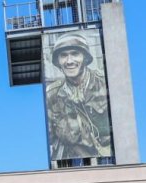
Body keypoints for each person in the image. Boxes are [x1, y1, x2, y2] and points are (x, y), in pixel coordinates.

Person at [44, 31, 111, 161]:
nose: (69, 61)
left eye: (75, 54)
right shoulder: (52, 95)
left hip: (107, 161)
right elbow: (50, 138)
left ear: (85, 58)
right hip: (74, 165)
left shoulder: (105, 84)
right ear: (58, 62)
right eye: (63, 55)